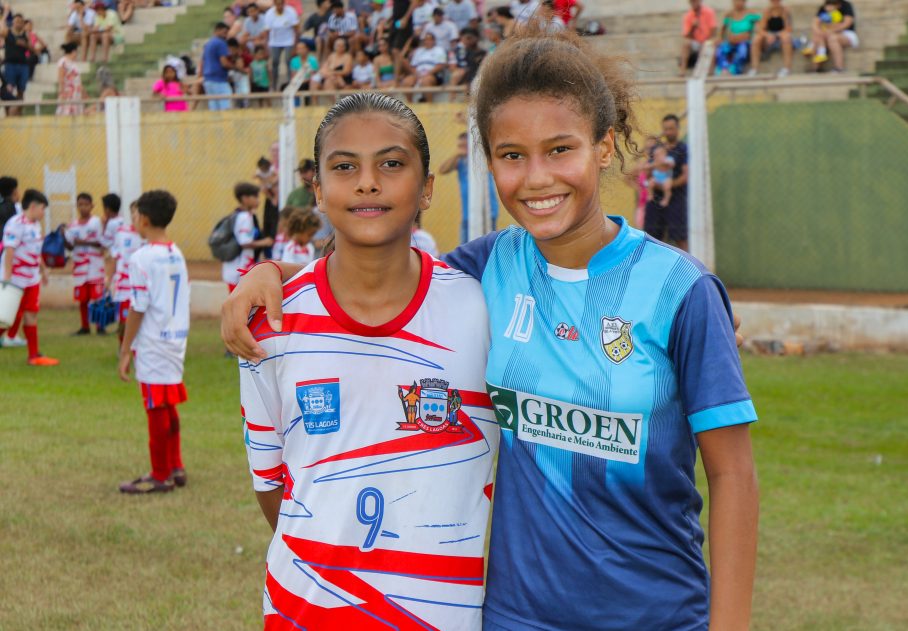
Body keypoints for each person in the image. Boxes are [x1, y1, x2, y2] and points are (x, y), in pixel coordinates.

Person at [223, 25, 756, 631]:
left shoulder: (679, 290)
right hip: (514, 615)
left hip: (655, 613)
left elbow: (733, 473)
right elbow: (378, 268)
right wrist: (271, 270)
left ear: (604, 148)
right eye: (511, 156)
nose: (536, 178)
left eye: (561, 150)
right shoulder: (491, 268)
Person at [236, 92, 496, 628]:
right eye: (345, 166)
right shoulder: (272, 322)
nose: (367, 182)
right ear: (318, 189)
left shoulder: (481, 311)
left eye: (392, 164)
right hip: (302, 613)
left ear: (427, 188)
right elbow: (272, 486)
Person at [117, 190, 190, 494]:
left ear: (144, 219)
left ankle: (160, 475)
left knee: (155, 409)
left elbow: (138, 306)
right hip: (175, 339)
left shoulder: (141, 257)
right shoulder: (176, 252)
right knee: (167, 404)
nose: (132, 219)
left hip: (153, 343)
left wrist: (124, 349)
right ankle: (175, 465)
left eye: (134, 214)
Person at [0, 189, 58, 366]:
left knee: (31, 313)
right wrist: (7, 279)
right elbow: (9, 251)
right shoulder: (15, 224)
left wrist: (43, 268)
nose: (43, 213)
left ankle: (34, 356)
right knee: (6, 318)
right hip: (16, 278)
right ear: (33, 206)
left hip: (32, 278)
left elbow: (34, 250)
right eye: (42, 209)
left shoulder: (35, 225)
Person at [438, 131, 499, 243]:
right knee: (465, 246)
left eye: (465, 145)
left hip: (487, 211)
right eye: (460, 146)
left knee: (488, 245)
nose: (462, 148)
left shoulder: (481, 159)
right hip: (468, 213)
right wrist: (458, 154)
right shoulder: (460, 161)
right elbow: (442, 170)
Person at [645, 114, 689, 251]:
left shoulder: (683, 149)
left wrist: (668, 186)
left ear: (677, 129)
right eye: (666, 129)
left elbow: (685, 175)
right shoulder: (657, 150)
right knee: (653, 239)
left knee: (680, 236)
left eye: (671, 128)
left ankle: (690, 269)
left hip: (676, 199)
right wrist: (654, 182)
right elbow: (647, 173)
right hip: (655, 200)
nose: (668, 132)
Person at [65, 192, 106, 335]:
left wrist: (82, 242)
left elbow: (101, 243)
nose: (83, 208)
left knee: (97, 297)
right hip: (80, 267)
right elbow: (70, 246)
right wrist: (63, 236)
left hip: (95, 265)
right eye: (80, 205)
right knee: (83, 299)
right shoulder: (73, 226)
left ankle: (100, 326)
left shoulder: (96, 222)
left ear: (92, 206)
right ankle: (85, 326)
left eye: (86, 204)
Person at [223, 182, 274, 293]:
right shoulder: (244, 217)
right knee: (240, 305)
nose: (258, 200)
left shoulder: (241, 215)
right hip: (238, 270)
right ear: (245, 198)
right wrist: (264, 242)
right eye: (255, 197)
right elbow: (244, 242)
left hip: (239, 269)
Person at [108, 200, 143, 346]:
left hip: (140, 284)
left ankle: (137, 350)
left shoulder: (147, 236)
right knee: (123, 320)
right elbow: (114, 256)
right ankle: (123, 348)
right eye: (133, 212)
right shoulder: (122, 233)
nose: (135, 215)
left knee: (139, 319)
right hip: (123, 284)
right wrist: (108, 278)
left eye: (138, 212)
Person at [807, 0, 856, 72]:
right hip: (825, 34)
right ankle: (816, 68)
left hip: (845, 34)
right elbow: (815, 23)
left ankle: (839, 68)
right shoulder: (824, 7)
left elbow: (847, 23)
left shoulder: (846, 5)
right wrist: (820, 32)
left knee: (832, 38)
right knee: (817, 37)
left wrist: (831, 31)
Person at [715, 0, 760, 76]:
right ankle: (723, 69)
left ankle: (734, 70)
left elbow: (760, 26)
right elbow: (722, 29)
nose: (738, 3)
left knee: (742, 50)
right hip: (732, 40)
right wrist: (719, 38)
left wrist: (753, 34)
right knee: (721, 49)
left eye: (740, 1)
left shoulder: (751, 13)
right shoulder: (729, 14)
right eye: (735, 1)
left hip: (744, 41)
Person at [750, 0, 793, 77]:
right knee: (756, 39)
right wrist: (767, 35)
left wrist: (777, 35)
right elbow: (760, 29)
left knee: (786, 37)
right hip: (769, 37)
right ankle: (754, 68)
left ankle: (787, 68)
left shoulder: (785, 11)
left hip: (781, 36)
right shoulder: (767, 12)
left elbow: (788, 28)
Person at [400, 31, 446, 102]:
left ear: (433, 40)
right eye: (425, 40)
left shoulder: (439, 50)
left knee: (426, 81)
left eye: (429, 39)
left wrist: (428, 73)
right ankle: (410, 105)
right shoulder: (419, 51)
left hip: (433, 74)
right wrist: (417, 74)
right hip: (418, 73)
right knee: (406, 82)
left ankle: (429, 105)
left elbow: (441, 65)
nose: (427, 41)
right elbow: (413, 66)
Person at [1, 11, 32, 115]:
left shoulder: (25, 35)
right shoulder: (8, 32)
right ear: (13, 22)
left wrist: (25, 44)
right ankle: (8, 113)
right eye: (16, 21)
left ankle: (18, 113)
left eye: (20, 21)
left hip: (23, 65)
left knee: (21, 91)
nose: (18, 23)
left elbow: (32, 48)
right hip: (10, 65)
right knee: (8, 91)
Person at [265, 0, 300, 90]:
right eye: (277, 4)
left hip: (289, 41)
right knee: (275, 62)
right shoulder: (269, 14)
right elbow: (267, 32)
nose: (279, 6)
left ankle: (289, 84)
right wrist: (266, 46)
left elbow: (296, 30)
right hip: (274, 42)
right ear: (274, 4)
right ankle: (274, 84)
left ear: (284, 4)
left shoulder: (291, 12)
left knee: (288, 61)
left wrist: (295, 46)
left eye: (281, 3)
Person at [201, 22, 234, 111]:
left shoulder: (208, 44)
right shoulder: (221, 43)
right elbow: (224, 63)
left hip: (208, 80)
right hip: (219, 80)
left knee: (214, 109)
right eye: (224, 32)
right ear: (217, 30)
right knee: (225, 108)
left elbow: (202, 62)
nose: (226, 35)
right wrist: (236, 68)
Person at [680, 0, 718, 77]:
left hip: (707, 40)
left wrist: (707, 41)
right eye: (692, 2)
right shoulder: (688, 16)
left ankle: (711, 72)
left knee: (710, 44)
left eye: (695, 1)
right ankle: (682, 71)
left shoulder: (709, 12)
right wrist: (693, 27)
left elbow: (713, 30)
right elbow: (687, 36)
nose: (694, 3)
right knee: (686, 44)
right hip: (696, 42)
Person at [56, 42, 85, 116]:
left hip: (76, 91)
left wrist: (83, 92)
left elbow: (78, 78)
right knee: (66, 111)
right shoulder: (63, 62)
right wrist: (61, 92)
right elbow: (61, 78)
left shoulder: (73, 63)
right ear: (73, 51)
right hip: (68, 91)